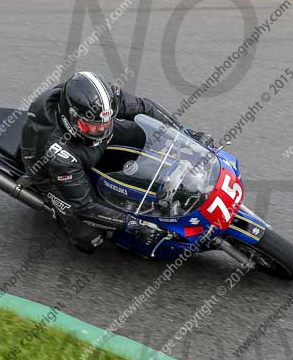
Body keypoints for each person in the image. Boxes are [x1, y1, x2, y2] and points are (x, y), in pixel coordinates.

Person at [20, 71, 213, 254]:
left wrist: (187, 135)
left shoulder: (103, 102)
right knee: (89, 237)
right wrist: (133, 224)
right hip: (50, 171)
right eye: (92, 125)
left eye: (105, 123)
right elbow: (84, 206)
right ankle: (58, 212)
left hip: (85, 147)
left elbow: (145, 107)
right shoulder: (57, 152)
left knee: (139, 134)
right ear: (71, 116)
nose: (101, 130)